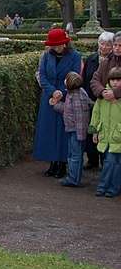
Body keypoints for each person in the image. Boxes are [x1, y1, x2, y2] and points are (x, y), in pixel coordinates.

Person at [32, 28, 82, 179]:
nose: (55, 48)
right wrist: (52, 91)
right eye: (53, 45)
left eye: (58, 45)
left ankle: (62, 163)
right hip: (49, 97)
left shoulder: (75, 56)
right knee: (49, 131)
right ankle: (52, 161)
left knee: (63, 131)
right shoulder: (47, 56)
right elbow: (42, 75)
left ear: (65, 43)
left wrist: (62, 92)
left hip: (68, 97)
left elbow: (75, 76)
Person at [50, 72, 93, 187]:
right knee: (73, 154)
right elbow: (68, 110)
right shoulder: (73, 93)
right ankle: (73, 177)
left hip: (76, 132)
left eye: (66, 79)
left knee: (75, 156)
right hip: (72, 129)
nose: (64, 80)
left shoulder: (77, 96)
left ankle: (73, 179)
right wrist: (56, 105)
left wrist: (80, 136)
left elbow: (80, 118)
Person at [82, 31, 114, 169]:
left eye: (107, 44)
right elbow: (85, 79)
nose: (104, 47)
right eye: (101, 43)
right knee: (91, 130)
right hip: (90, 100)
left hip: (107, 101)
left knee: (104, 131)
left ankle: (104, 161)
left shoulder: (114, 62)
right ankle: (92, 159)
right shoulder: (91, 59)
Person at [90, 67, 121, 198]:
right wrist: (94, 131)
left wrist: (116, 102)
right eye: (113, 80)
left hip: (118, 135)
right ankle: (109, 188)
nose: (115, 82)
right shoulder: (102, 96)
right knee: (112, 163)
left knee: (112, 163)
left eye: (118, 80)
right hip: (105, 135)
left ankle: (107, 187)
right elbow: (95, 114)